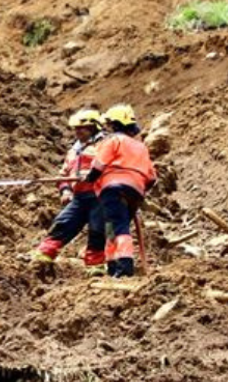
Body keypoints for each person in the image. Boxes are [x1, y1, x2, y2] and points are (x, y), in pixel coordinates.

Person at [30, 109, 109, 276]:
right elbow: (64, 175)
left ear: (94, 128)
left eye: (83, 128)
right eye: (76, 128)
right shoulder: (74, 151)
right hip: (79, 198)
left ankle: (96, 267)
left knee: (97, 231)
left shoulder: (105, 146)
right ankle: (43, 257)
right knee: (62, 223)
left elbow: (113, 169)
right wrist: (65, 190)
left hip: (99, 196)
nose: (78, 131)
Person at [82, 104, 157, 277]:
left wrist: (90, 177)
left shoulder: (112, 140)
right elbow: (152, 177)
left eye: (108, 125)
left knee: (118, 226)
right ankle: (112, 266)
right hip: (135, 191)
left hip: (113, 188)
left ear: (114, 125)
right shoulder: (141, 147)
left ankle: (124, 267)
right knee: (111, 226)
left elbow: (99, 164)